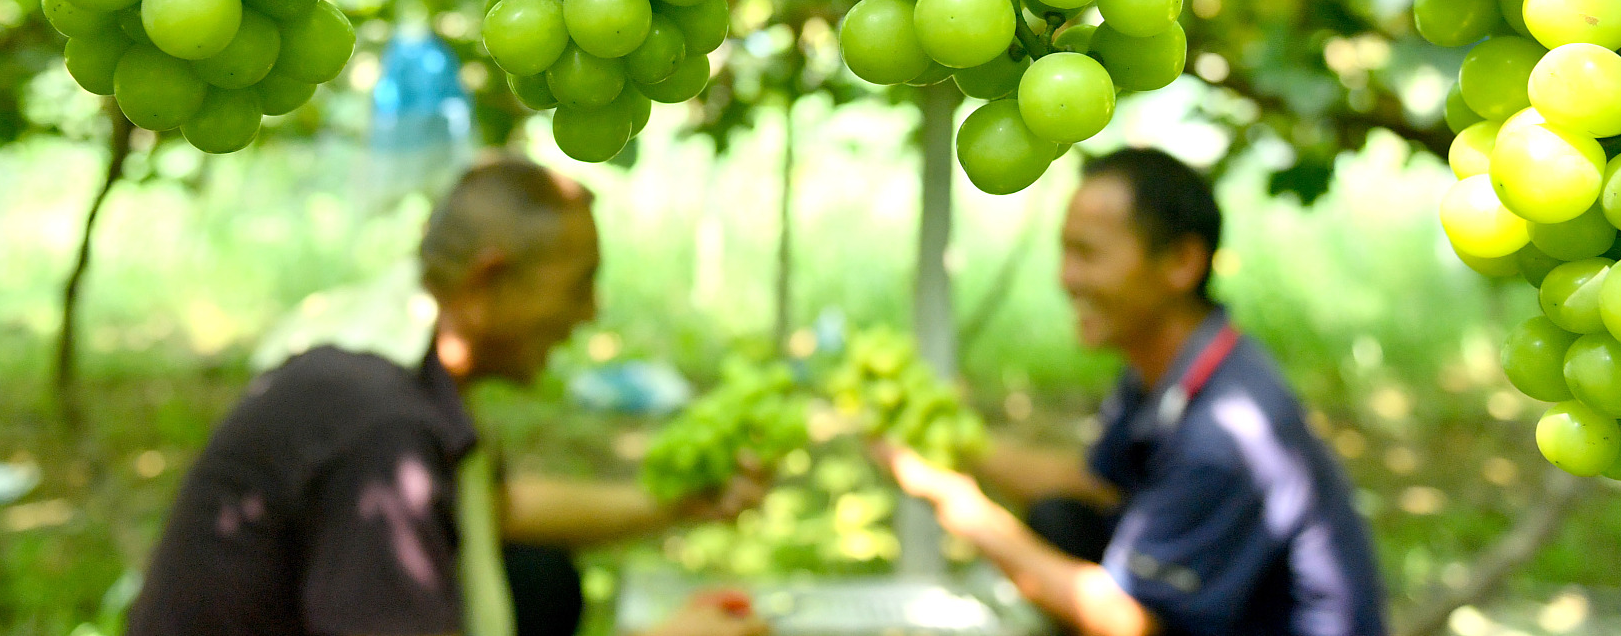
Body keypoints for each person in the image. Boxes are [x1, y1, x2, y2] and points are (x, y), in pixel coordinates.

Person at [129, 154, 768, 636]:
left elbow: (493, 509)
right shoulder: (382, 429)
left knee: (536, 580)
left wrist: (680, 502)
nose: (589, 312)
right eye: (578, 284)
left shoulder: (383, 345)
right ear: (488, 279)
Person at [879, 148, 1386, 636]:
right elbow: (1095, 481)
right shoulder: (1174, 371)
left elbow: (1127, 621)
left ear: (1183, 262)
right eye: (1065, 250)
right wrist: (959, 454)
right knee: (1060, 518)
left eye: (1088, 253)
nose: (1065, 277)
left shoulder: (1224, 434)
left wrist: (961, 508)